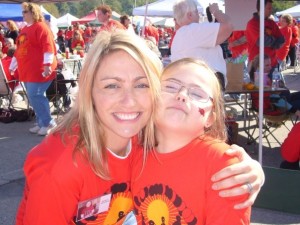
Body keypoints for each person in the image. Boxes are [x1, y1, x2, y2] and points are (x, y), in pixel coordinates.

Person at [15, 30, 264, 225]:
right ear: (89, 91)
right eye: (112, 85)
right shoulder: (61, 167)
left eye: (142, 85)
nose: (129, 100)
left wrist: (252, 170)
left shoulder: (142, 136)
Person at [132, 58, 251, 224]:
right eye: (170, 86)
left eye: (197, 94)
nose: (181, 95)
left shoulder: (221, 163)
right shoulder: (135, 154)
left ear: (210, 118)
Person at [9, 2, 57, 136]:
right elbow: (19, 49)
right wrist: (13, 65)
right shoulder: (24, 29)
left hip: (39, 69)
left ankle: (48, 123)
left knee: (35, 95)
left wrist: (47, 65)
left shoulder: (41, 27)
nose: (22, 15)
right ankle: (41, 122)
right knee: (33, 96)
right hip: (27, 70)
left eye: (25, 12)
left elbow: (48, 47)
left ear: (33, 13)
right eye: (23, 12)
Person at [171, 0, 233, 91]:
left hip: (193, 85)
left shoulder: (181, 34)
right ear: (190, 15)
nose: (199, 16)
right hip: (205, 86)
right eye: (197, 12)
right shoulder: (192, 30)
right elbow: (229, 25)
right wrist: (216, 11)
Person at [245, 0, 284, 70]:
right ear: (261, 8)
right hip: (258, 65)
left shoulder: (272, 23)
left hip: (273, 63)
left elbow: (282, 40)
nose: (271, 10)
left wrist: (271, 41)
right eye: (269, 8)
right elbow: (262, 42)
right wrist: (275, 41)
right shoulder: (252, 23)